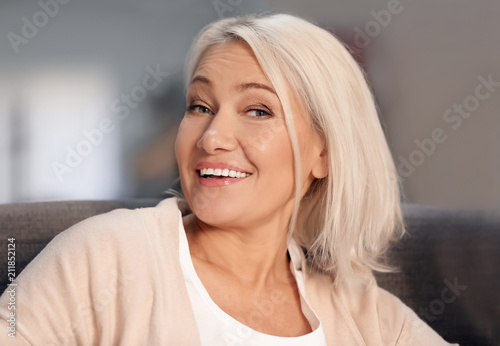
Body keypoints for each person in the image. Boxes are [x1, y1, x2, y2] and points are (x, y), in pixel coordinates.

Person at [0, 14, 457, 345]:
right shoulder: (104, 256)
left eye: (258, 111)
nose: (212, 136)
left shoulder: (368, 315)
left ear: (325, 152)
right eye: (200, 106)